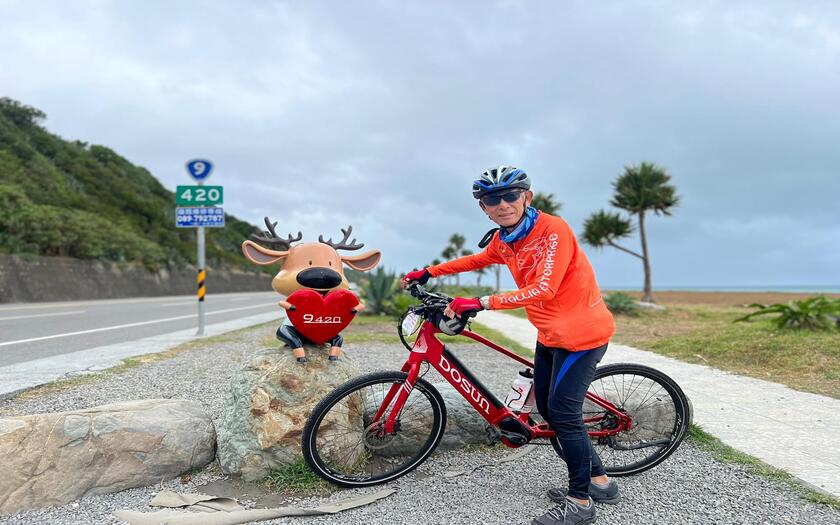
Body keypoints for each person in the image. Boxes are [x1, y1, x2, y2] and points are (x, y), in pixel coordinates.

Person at [401, 166, 618, 525]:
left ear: (526, 197)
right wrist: (428, 272)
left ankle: (581, 502)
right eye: (491, 200)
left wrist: (482, 302)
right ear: (483, 208)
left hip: (582, 336)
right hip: (549, 334)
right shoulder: (506, 239)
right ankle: (600, 481)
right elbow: (476, 260)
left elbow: (544, 289)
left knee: (563, 413)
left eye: (510, 196)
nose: (502, 205)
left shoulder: (553, 231)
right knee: (549, 410)